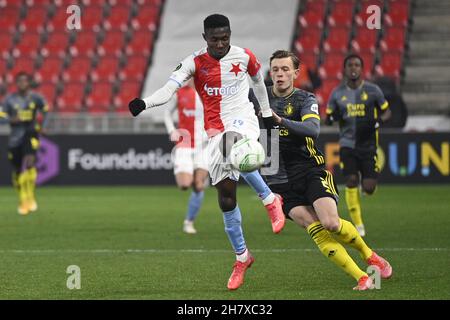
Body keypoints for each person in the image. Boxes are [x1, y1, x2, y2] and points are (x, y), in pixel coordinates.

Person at [128, 14, 285, 290]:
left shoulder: (244, 56)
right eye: (215, 39)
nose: (222, 43)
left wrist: (265, 111)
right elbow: (168, 90)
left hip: (242, 120)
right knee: (226, 199)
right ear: (205, 38)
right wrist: (144, 102)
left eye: (225, 37)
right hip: (213, 132)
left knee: (233, 144)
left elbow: (259, 83)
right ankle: (242, 257)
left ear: (230, 34)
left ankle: (270, 199)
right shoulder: (194, 62)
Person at [262, 50, 392, 290]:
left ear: (296, 73)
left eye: (285, 69)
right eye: (275, 70)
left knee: (331, 223)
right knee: (317, 231)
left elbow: (313, 129)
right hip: (276, 181)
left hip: (310, 170)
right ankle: (362, 278)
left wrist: (279, 121)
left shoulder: (304, 99)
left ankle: (369, 254)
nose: (279, 74)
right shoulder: (258, 98)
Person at [325, 54, 391, 236]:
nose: (353, 68)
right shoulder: (337, 93)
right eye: (350, 65)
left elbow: (387, 112)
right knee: (351, 180)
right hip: (347, 144)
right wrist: (330, 118)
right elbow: (329, 117)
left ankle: (366, 188)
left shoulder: (373, 90)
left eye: (356, 65)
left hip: (369, 145)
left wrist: (378, 121)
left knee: (369, 188)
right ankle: (358, 224)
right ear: (344, 69)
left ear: (362, 69)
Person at [163, 79, 209, 234]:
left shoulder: (209, 92)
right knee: (184, 185)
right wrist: (171, 131)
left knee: (199, 185)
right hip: (185, 145)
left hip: (204, 146)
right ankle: (191, 176)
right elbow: (167, 113)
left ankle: (189, 222)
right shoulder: (180, 93)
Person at [0, 72, 49, 215]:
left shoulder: (36, 98)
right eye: (20, 81)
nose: (22, 83)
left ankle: (30, 197)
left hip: (31, 133)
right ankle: (23, 199)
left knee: (29, 163)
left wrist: (42, 125)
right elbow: (1, 116)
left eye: (25, 81)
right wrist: (10, 120)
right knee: (17, 170)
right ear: (17, 83)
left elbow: (46, 110)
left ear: (28, 83)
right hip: (15, 138)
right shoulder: (9, 100)